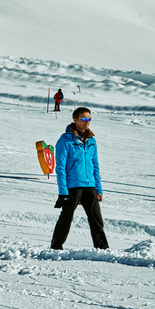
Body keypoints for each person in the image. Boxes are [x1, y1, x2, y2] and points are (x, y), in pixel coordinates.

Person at [50, 107, 108, 250]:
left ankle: (102, 248)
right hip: (73, 186)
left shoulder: (91, 141)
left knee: (96, 220)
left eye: (89, 118)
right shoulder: (65, 140)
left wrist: (98, 189)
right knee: (66, 218)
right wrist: (63, 192)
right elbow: (60, 168)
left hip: (90, 186)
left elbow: (95, 166)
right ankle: (56, 247)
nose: (86, 122)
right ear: (75, 120)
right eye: (83, 119)